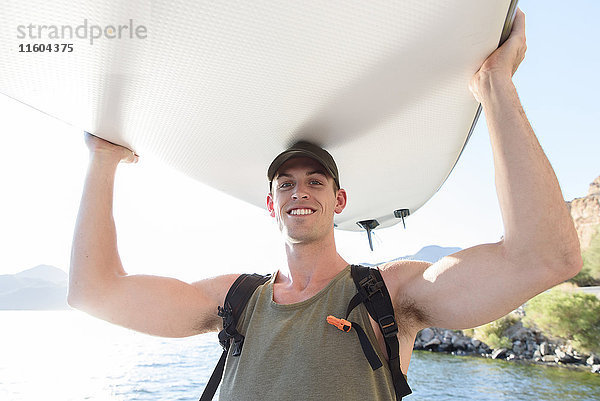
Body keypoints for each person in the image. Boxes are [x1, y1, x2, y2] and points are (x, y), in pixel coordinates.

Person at [68, 9, 582, 400]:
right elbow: (95, 293)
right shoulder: (235, 301)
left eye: (315, 180)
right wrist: (103, 161)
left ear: (338, 201)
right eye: (285, 184)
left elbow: (547, 257)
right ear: (271, 205)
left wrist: (495, 84)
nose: (299, 191)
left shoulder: (389, 293)